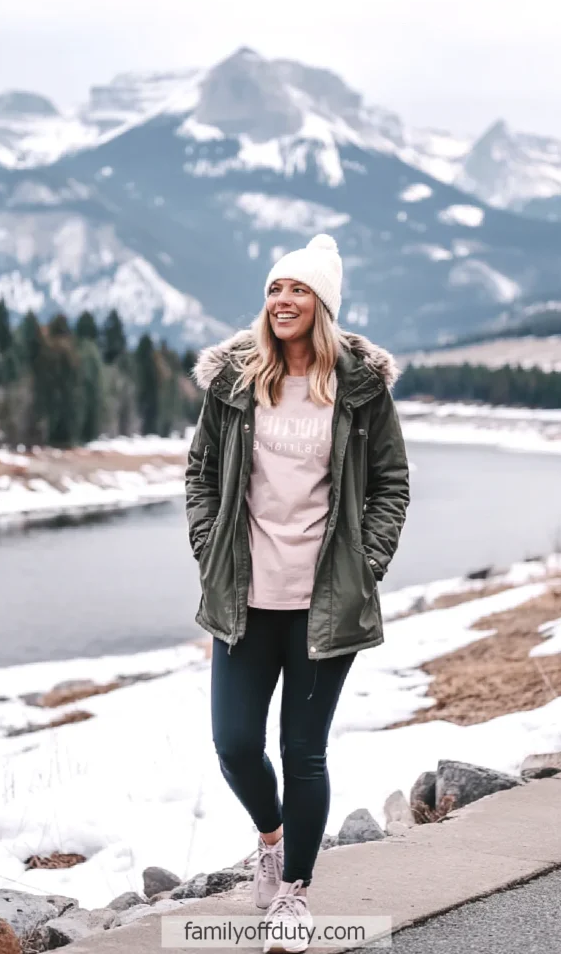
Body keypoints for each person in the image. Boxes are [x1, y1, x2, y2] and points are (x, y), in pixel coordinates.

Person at [185, 233, 410, 953]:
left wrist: (363, 566)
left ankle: (294, 895)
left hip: (324, 603)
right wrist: (207, 550)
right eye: (274, 289)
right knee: (233, 745)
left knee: (302, 752)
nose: (281, 301)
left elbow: (389, 485)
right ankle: (271, 837)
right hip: (242, 599)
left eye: (297, 291)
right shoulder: (234, 384)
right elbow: (198, 476)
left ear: (322, 307)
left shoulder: (360, 389)